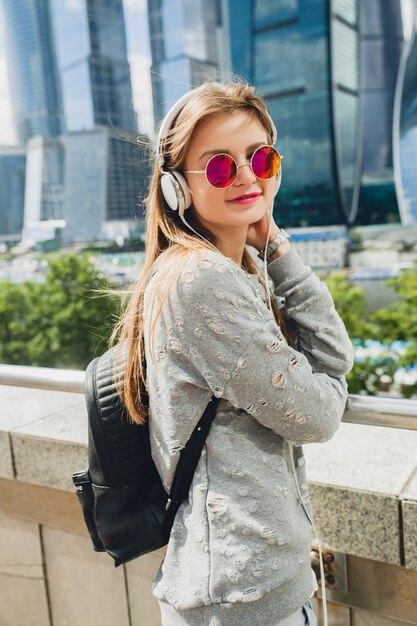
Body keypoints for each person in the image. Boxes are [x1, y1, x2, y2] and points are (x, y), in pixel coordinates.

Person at [111, 81, 354, 626]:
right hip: (241, 599)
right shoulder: (201, 283)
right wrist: (327, 391)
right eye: (219, 167)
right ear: (177, 187)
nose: (246, 175)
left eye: (260, 158)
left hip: (250, 587)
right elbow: (318, 414)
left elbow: (333, 358)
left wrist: (274, 247)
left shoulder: (231, 270)